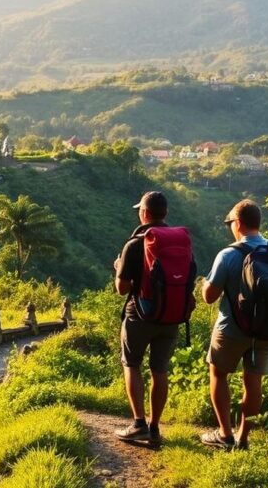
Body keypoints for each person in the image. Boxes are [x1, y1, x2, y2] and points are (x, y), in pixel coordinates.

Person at [200, 199, 268, 450]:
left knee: (218, 374)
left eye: (231, 223)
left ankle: (224, 434)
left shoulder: (228, 254)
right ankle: (243, 438)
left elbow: (209, 297)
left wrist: (203, 284)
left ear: (238, 223)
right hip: (267, 330)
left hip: (230, 329)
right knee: (254, 384)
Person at [113, 191, 178, 446]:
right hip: (172, 316)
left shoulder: (135, 243)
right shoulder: (179, 241)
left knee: (131, 364)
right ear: (165, 213)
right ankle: (155, 427)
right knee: (159, 369)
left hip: (139, 315)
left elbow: (122, 288)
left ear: (145, 213)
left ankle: (139, 423)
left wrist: (119, 266)